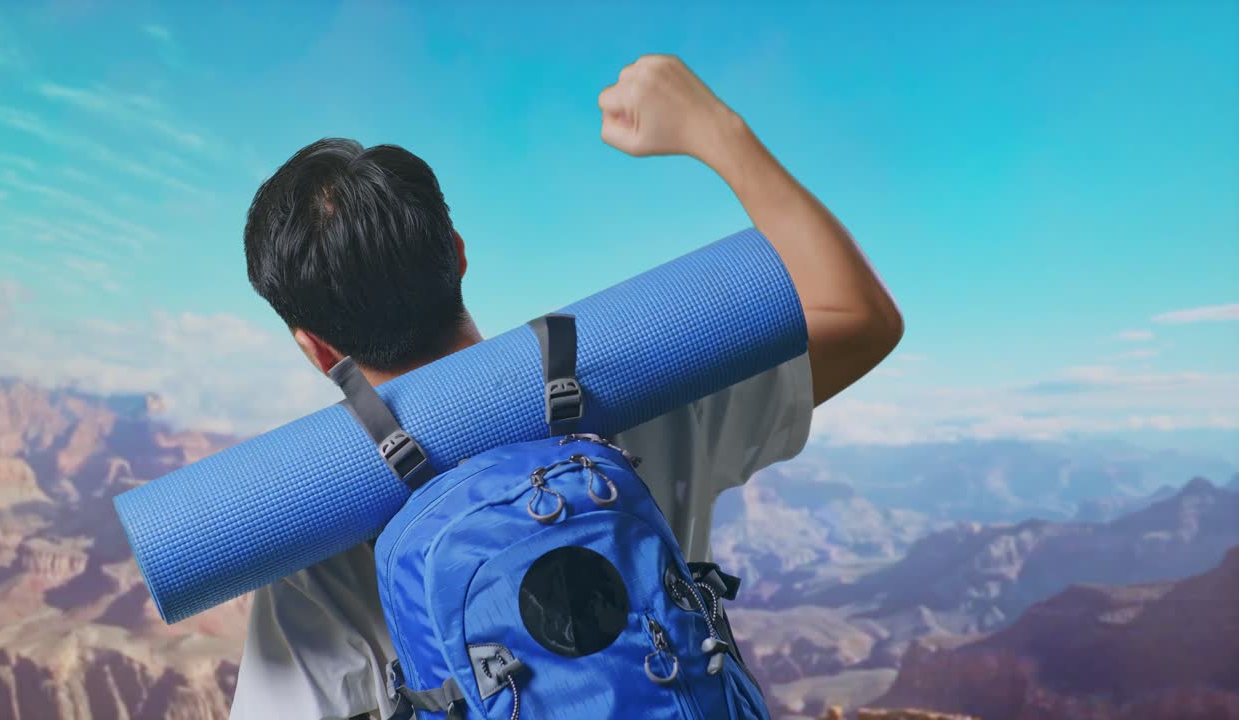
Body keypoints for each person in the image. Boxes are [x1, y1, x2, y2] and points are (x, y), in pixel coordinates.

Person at [230, 54, 903, 720]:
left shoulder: (316, 531)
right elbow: (861, 317)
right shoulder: (640, 398)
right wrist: (716, 130)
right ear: (458, 254)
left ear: (315, 348)